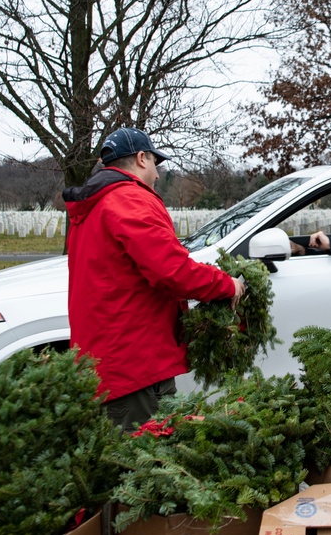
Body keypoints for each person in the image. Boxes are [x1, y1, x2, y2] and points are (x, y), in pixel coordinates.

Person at [63, 127, 245, 431]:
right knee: (145, 455)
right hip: (133, 363)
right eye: (155, 165)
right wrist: (227, 285)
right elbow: (172, 270)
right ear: (141, 158)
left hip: (104, 360)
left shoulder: (94, 206)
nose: (158, 176)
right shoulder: (130, 200)